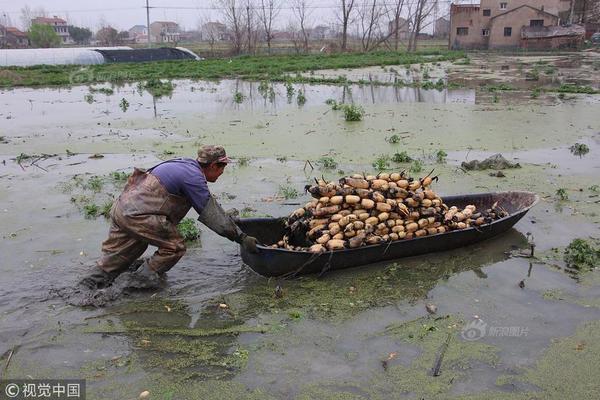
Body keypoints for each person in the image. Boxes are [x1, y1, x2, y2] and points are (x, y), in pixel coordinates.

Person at [80, 145, 258, 289]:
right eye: (222, 168)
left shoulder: (184, 165)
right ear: (213, 166)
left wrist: (228, 219)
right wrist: (241, 238)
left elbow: (212, 208)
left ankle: (86, 285)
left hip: (123, 209)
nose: (222, 173)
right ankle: (137, 282)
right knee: (175, 247)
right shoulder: (194, 178)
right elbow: (211, 214)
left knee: (118, 257)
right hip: (141, 216)